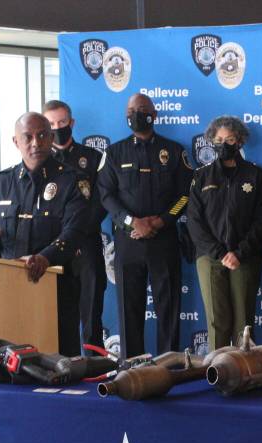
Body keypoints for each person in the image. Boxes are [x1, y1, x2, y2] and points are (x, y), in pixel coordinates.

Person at [0, 112, 90, 357]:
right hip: (6, 289)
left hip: (56, 286)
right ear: (16, 142)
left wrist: (45, 257)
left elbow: (76, 230)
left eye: (42, 135)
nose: (35, 142)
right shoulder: (0, 183)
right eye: (27, 137)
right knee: (10, 360)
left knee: (59, 361)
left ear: (50, 138)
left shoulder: (72, 180)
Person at [98, 94, 193, 358]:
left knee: (169, 307)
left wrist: (161, 220)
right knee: (129, 308)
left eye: (141, 109)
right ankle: (132, 365)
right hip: (129, 241)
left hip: (164, 240)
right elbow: (106, 195)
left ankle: (169, 363)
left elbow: (185, 195)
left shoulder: (174, 151)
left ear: (154, 114)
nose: (136, 114)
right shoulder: (114, 152)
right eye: (131, 110)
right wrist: (132, 222)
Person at [186, 115, 262, 351]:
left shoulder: (255, 175)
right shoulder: (201, 176)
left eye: (230, 139)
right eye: (219, 139)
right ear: (211, 141)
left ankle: (243, 373)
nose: (224, 144)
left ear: (240, 141)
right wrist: (220, 252)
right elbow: (194, 221)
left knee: (244, 323)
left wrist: (239, 252)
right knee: (217, 321)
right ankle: (218, 373)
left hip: (245, 257)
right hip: (210, 258)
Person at [44, 99, 107, 354]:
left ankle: (95, 368)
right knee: (59, 315)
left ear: (72, 123)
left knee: (91, 314)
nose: (58, 128)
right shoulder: (42, 162)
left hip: (86, 245)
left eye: (62, 122)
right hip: (52, 249)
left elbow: (101, 202)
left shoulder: (92, 158)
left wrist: (77, 236)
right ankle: (64, 369)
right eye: (51, 124)